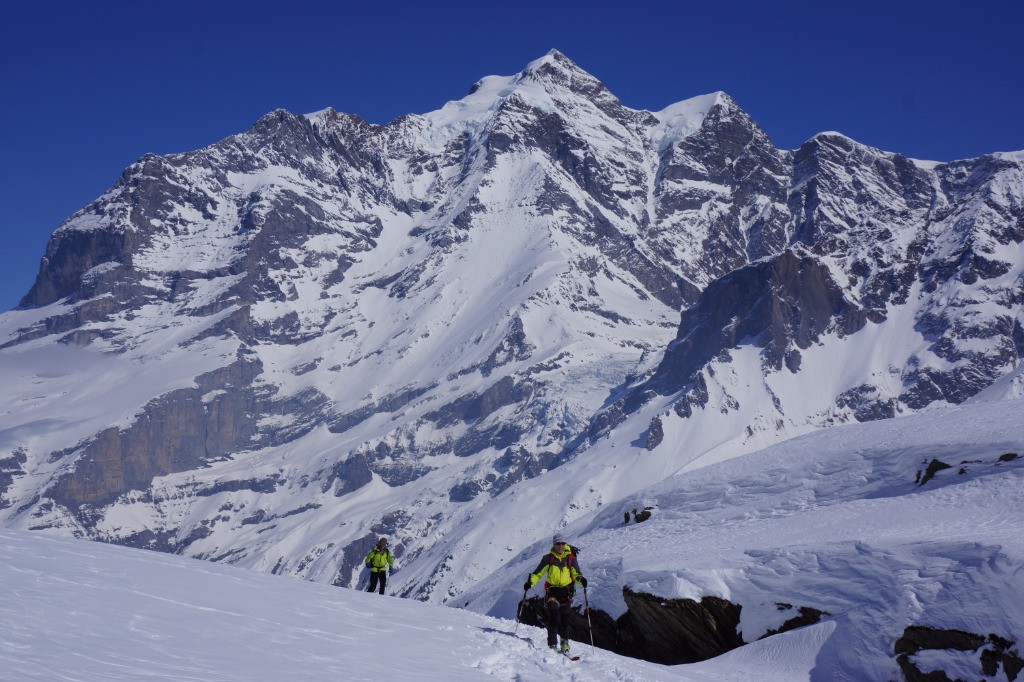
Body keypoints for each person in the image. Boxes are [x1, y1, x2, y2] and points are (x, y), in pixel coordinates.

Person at [523, 533, 587, 653]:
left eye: (562, 543)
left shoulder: (570, 558)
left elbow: (576, 574)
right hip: (552, 593)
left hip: (566, 593)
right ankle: (552, 644)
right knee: (554, 615)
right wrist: (530, 583)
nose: (560, 546)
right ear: (554, 545)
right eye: (558, 543)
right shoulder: (548, 558)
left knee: (565, 620)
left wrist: (581, 580)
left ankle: (564, 644)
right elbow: (537, 574)